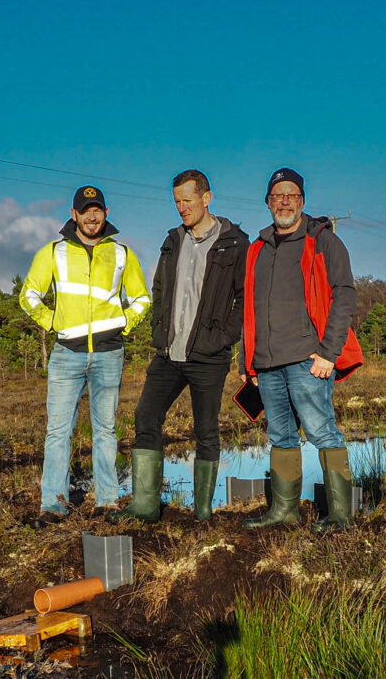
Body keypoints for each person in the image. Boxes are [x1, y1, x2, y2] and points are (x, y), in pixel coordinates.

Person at [110, 170, 249, 523]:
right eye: (177, 202)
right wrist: (159, 331)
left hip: (208, 356)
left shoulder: (235, 242)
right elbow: (159, 289)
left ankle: (203, 513)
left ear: (207, 198)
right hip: (169, 354)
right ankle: (144, 505)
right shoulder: (172, 240)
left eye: (187, 200)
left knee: (206, 429)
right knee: (145, 416)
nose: (182, 208)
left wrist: (221, 338)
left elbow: (244, 299)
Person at [19, 185, 150, 526]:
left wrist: (122, 323)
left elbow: (141, 299)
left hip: (109, 353)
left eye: (98, 209)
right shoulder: (53, 252)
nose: (92, 216)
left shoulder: (122, 253)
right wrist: (52, 322)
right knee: (58, 431)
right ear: (73, 214)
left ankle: (107, 502)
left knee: (105, 431)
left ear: (106, 213)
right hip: (66, 354)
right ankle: (54, 505)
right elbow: (29, 295)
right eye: (85, 210)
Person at [240, 167, 362, 532]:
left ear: (303, 201)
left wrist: (329, 352)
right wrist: (248, 363)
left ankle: (340, 514)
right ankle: (284, 510)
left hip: (309, 360)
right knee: (280, 436)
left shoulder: (323, 240)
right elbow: (248, 307)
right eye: (277, 196)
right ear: (268, 202)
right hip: (267, 363)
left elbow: (345, 295)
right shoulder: (256, 249)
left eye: (291, 195)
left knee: (323, 433)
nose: (284, 201)